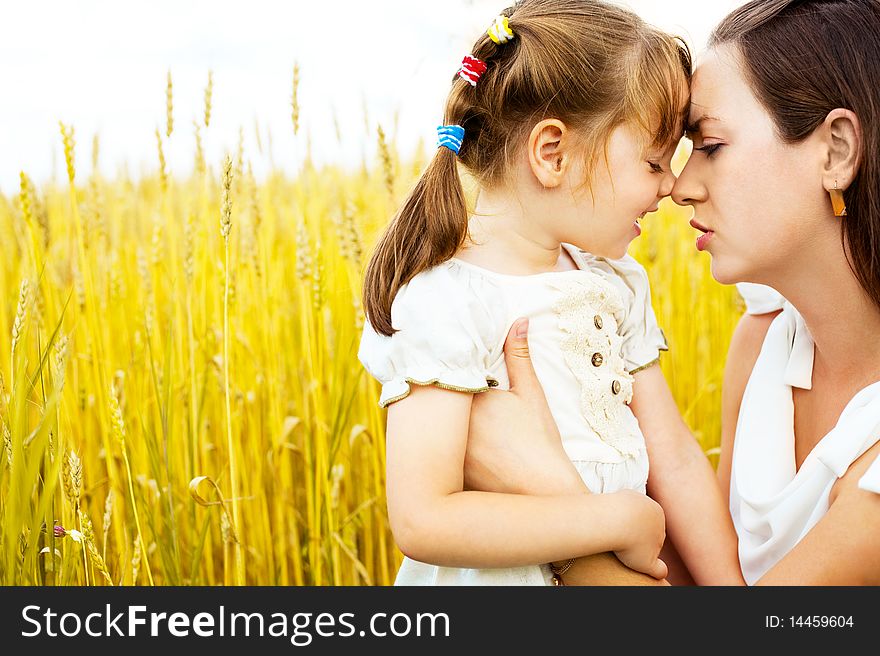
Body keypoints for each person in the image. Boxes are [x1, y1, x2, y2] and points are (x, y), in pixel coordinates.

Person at [465, 0, 880, 585]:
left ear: (836, 151)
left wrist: (544, 491)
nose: (680, 187)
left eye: (709, 146)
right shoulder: (764, 346)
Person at [357, 0, 743, 586]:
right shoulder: (446, 302)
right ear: (552, 154)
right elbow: (423, 517)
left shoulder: (615, 282)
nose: (669, 186)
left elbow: (677, 459)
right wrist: (611, 520)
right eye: (652, 162)